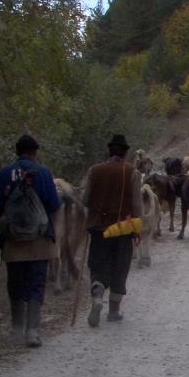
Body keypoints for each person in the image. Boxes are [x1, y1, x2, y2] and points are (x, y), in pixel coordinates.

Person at [0, 134, 62, 347]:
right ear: (34, 153)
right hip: (39, 240)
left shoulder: (5, 173)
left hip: (13, 241)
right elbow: (54, 204)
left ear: (17, 152)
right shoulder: (44, 172)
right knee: (36, 283)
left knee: (15, 283)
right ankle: (32, 331)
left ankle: (16, 328)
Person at [83, 133, 143, 327]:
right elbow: (136, 204)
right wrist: (137, 228)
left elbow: (85, 200)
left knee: (98, 265)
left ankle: (98, 295)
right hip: (122, 229)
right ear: (125, 153)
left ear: (109, 151)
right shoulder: (131, 172)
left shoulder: (94, 170)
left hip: (99, 227)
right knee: (120, 266)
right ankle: (114, 310)